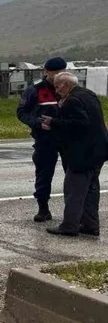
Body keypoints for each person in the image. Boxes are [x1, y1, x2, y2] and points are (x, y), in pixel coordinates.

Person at [41, 72, 108, 237]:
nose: (56, 91)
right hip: (98, 150)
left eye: (58, 87)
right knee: (91, 190)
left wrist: (53, 123)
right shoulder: (89, 94)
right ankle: (91, 225)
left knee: (74, 190)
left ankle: (69, 226)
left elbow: (80, 123)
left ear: (66, 85)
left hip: (83, 153)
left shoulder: (72, 100)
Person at [17, 57, 67, 222]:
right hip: (45, 138)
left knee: (73, 173)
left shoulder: (71, 89)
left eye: (61, 73)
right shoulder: (35, 90)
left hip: (68, 138)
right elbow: (22, 112)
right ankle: (43, 208)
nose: (58, 76)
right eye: (54, 73)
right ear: (46, 72)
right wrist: (37, 123)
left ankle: (74, 210)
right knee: (44, 173)